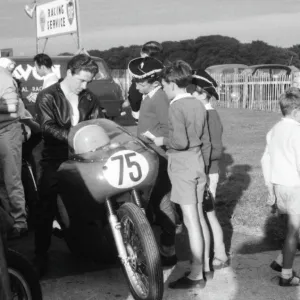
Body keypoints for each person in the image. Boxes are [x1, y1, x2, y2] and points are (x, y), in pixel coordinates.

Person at [33, 54, 105, 277]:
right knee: (45, 206)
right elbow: (47, 127)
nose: (84, 86)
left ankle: (87, 246)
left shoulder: (89, 97)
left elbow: (99, 122)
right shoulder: (47, 96)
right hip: (55, 159)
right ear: (69, 72)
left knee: (90, 203)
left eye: (88, 82)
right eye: (81, 80)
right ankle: (40, 255)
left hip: (83, 159)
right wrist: (77, 137)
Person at [154, 60, 211, 289]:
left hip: (183, 165)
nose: (164, 90)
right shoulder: (198, 103)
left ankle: (197, 274)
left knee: (191, 222)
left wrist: (161, 141)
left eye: (164, 86)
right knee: (198, 217)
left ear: (171, 83)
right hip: (198, 163)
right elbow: (205, 141)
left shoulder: (176, 106)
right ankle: (204, 265)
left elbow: (179, 142)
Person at [128, 56, 177, 266]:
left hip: (159, 158)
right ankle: (153, 249)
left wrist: (153, 139)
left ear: (156, 82)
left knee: (162, 203)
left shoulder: (159, 99)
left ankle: (168, 249)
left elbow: (168, 130)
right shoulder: (151, 95)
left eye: (141, 83)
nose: (137, 87)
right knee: (150, 203)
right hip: (148, 156)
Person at [186, 71, 229, 269]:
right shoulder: (203, 113)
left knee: (207, 214)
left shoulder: (210, 116)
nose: (189, 95)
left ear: (203, 94)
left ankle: (218, 253)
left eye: (192, 92)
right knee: (204, 214)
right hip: (202, 170)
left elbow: (215, 149)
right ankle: (211, 252)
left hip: (207, 171)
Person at [261, 87, 300, 286]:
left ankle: (280, 261)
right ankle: (286, 275)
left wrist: (270, 188)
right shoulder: (297, 131)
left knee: (291, 228)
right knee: (294, 231)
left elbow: (265, 160)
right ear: (296, 111)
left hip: (278, 185)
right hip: (295, 186)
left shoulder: (274, 130)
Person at [0, 57, 28, 238]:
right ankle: (10, 222)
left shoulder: (3, 78)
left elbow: (12, 107)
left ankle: (20, 221)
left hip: (7, 130)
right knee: (2, 181)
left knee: (11, 178)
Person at [126, 41, 163, 123]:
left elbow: (134, 94)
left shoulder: (140, 71)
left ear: (142, 53)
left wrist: (136, 113)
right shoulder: (163, 69)